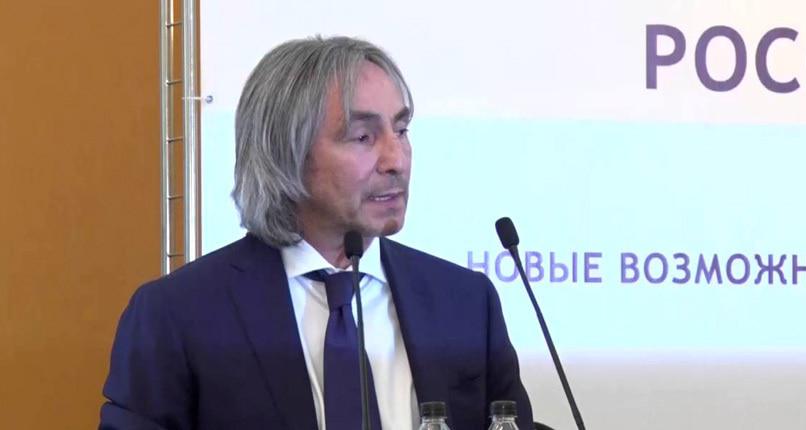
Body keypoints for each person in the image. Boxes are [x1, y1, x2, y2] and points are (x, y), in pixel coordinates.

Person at [100, 36, 533, 430]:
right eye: (363, 137)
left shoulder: (466, 303)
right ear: (285, 151)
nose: (396, 160)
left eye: (401, 131)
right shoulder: (175, 316)